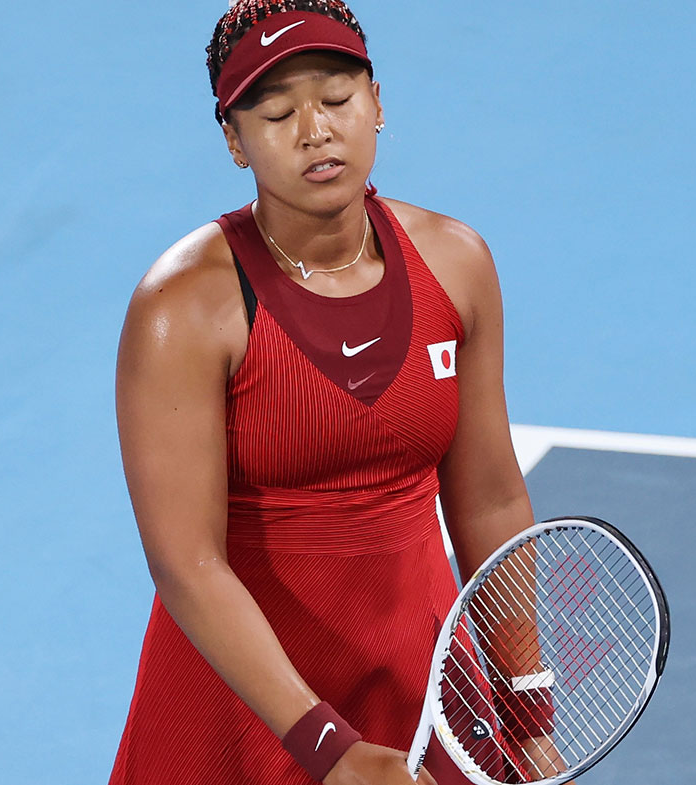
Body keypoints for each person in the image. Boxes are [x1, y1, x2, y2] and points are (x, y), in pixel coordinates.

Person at [107, 2, 536, 782]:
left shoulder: (457, 264)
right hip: (245, 706)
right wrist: (326, 747)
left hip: (421, 687)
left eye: (337, 99)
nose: (314, 129)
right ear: (234, 141)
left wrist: (528, 708)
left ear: (377, 103)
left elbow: (491, 501)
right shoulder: (183, 309)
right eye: (276, 113)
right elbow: (187, 562)